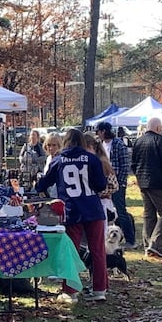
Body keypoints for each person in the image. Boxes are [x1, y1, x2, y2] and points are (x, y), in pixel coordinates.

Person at [35, 128, 108, 303]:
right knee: (98, 250)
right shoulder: (92, 159)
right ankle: (100, 289)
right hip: (92, 209)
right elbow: (101, 185)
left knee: (70, 250)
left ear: (65, 141)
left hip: (71, 210)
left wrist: (39, 189)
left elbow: (44, 183)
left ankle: (70, 291)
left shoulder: (59, 160)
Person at [130, 117, 162, 260]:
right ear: (158, 128)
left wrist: (139, 178)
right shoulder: (160, 140)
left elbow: (133, 163)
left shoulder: (138, 141)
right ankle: (155, 245)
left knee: (149, 215)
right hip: (159, 183)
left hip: (143, 183)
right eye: (161, 127)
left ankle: (148, 245)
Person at [96, 122, 136, 248]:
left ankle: (130, 239)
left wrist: (121, 182)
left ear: (103, 131)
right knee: (109, 212)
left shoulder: (118, 144)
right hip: (105, 184)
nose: (97, 134)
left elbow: (125, 165)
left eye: (98, 131)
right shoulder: (101, 145)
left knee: (121, 211)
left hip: (117, 183)